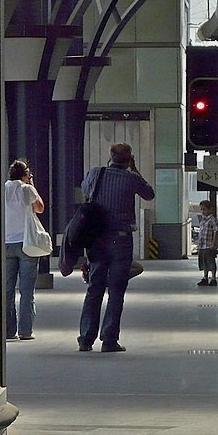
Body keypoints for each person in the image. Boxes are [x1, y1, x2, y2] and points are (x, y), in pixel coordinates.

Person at [77, 142, 155, 352]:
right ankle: (109, 340)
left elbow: (85, 189)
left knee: (94, 288)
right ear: (129, 159)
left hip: (97, 239)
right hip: (121, 240)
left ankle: (86, 339)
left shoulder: (96, 173)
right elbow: (149, 194)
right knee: (116, 290)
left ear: (111, 157)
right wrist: (135, 169)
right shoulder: (132, 178)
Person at [4, 159, 45, 340]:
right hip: (26, 243)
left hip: (5, 244)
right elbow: (40, 208)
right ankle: (25, 331)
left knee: (7, 289)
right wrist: (32, 185)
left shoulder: (3, 188)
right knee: (27, 290)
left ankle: (7, 330)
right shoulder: (26, 189)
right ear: (25, 175)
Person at [196, 200, 218, 286]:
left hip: (209, 245)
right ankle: (205, 277)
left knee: (211, 262)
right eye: (201, 209)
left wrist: (213, 243)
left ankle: (213, 278)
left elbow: (216, 231)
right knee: (204, 262)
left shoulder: (212, 220)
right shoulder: (203, 220)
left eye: (204, 209)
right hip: (202, 245)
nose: (202, 211)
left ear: (210, 210)